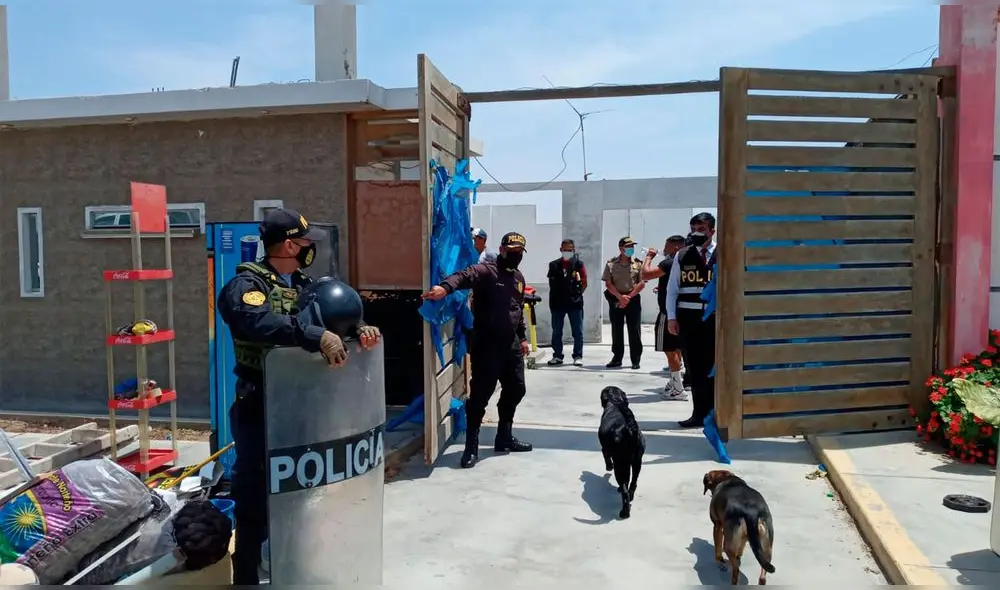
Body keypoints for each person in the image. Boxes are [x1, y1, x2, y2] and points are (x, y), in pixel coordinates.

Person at [217, 208, 381, 584]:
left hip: (302, 404)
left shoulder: (307, 285)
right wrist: (313, 336)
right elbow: (256, 322)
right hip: (260, 403)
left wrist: (359, 329)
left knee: (300, 493)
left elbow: (334, 318)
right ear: (290, 245)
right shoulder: (247, 285)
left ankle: (294, 568)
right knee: (256, 494)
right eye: (306, 242)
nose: (310, 249)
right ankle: (247, 576)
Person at [421, 232, 533, 469]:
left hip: (511, 344)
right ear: (501, 250)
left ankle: (504, 436)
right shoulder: (487, 271)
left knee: (516, 389)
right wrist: (445, 288)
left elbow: (517, 309)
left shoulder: (518, 278)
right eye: (511, 251)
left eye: (519, 252)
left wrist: (522, 338)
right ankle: (471, 446)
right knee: (480, 396)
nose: (515, 255)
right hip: (487, 344)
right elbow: (464, 275)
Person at [666, 212, 718, 429]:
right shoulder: (682, 255)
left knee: (716, 368)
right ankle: (699, 414)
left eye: (702, 229)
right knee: (695, 369)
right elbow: (672, 289)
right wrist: (671, 317)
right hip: (689, 319)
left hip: (716, 319)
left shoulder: (724, 253)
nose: (696, 232)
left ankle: (717, 414)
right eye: (694, 228)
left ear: (712, 231)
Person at [641, 235, 688, 400]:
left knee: (669, 349)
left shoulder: (669, 262)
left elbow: (645, 274)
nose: (664, 249)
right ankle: (674, 381)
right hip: (682, 311)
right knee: (677, 348)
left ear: (675, 248)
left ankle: (678, 388)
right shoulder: (686, 262)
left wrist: (649, 257)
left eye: (667, 246)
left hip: (667, 313)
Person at [602, 236, 645, 369]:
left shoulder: (638, 264)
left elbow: (641, 283)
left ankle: (635, 360)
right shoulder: (611, 264)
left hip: (633, 298)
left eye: (632, 246)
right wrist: (620, 297)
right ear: (621, 248)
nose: (631, 249)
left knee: (634, 330)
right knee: (616, 329)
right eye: (628, 247)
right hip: (616, 298)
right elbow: (608, 283)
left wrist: (628, 297)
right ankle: (617, 358)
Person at [546, 239, 587, 367]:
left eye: (570, 250)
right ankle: (557, 356)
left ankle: (578, 356)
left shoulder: (578, 264)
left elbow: (584, 282)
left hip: (574, 303)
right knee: (557, 330)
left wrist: (577, 294)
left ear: (573, 250)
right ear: (560, 249)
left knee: (577, 331)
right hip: (557, 303)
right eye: (565, 250)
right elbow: (552, 284)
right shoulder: (553, 265)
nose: (567, 252)